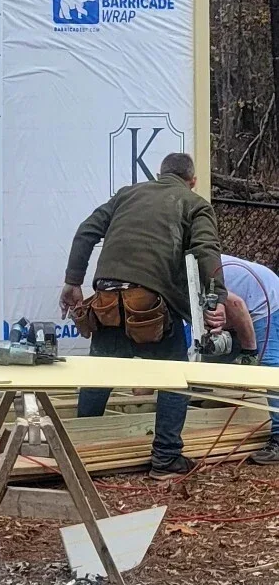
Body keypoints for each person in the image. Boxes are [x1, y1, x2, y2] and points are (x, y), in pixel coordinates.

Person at [59, 152, 225, 477]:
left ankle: (79, 454)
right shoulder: (194, 202)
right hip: (151, 304)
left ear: (160, 174)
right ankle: (165, 458)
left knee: (98, 375)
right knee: (175, 379)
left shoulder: (127, 194)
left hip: (107, 300)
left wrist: (72, 283)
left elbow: (85, 231)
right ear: (192, 180)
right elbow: (206, 248)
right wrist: (216, 296)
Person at [212, 253, 279, 462]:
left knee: (268, 364)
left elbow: (238, 305)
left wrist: (250, 353)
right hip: (250, 295)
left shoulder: (191, 272)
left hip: (263, 298)